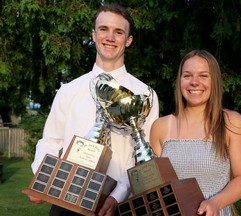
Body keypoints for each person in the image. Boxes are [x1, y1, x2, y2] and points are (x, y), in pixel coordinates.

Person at [28, 3, 159, 216]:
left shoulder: (145, 95)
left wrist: (118, 194)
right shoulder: (69, 90)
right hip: (67, 199)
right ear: (93, 34)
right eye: (103, 29)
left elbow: (146, 156)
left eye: (118, 32)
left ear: (128, 40)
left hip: (119, 204)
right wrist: (41, 179)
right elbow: (51, 141)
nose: (110, 37)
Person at [149, 49, 241, 216]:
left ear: (215, 81)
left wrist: (215, 203)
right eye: (187, 75)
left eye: (203, 76)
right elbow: (153, 183)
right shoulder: (161, 126)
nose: (194, 82)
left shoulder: (232, 122)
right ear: (180, 80)